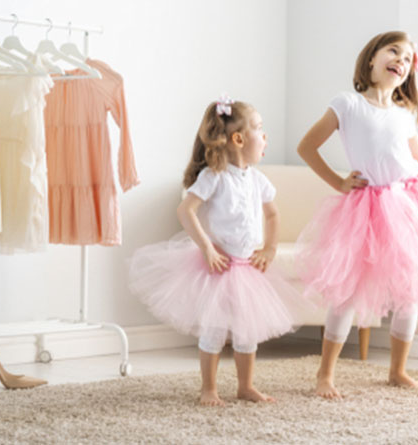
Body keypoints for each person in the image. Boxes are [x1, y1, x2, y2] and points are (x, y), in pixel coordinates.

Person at [296, 31, 418, 399]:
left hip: (411, 203)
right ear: (371, 59)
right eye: (394, 52)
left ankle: (398, 370)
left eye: (407, 59)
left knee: (411, 290)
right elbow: (306, 146)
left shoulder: (403, 115)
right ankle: (325, 374)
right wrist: (338, 183)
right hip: (367, 208)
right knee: (346, 294)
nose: (401, 61)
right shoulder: (348, 105)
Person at [129, 95, 302, 406]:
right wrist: (207, 248)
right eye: (259, 129)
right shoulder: (214, 177)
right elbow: (186, 211)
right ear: (238, 138)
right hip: (219, 267)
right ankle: (208, 388)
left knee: (247, 334)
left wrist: (270, 248)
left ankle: (245, 386)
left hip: (248, 268)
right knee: (214, 331)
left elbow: (273, 214)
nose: (265, 136)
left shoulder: (258, 179)